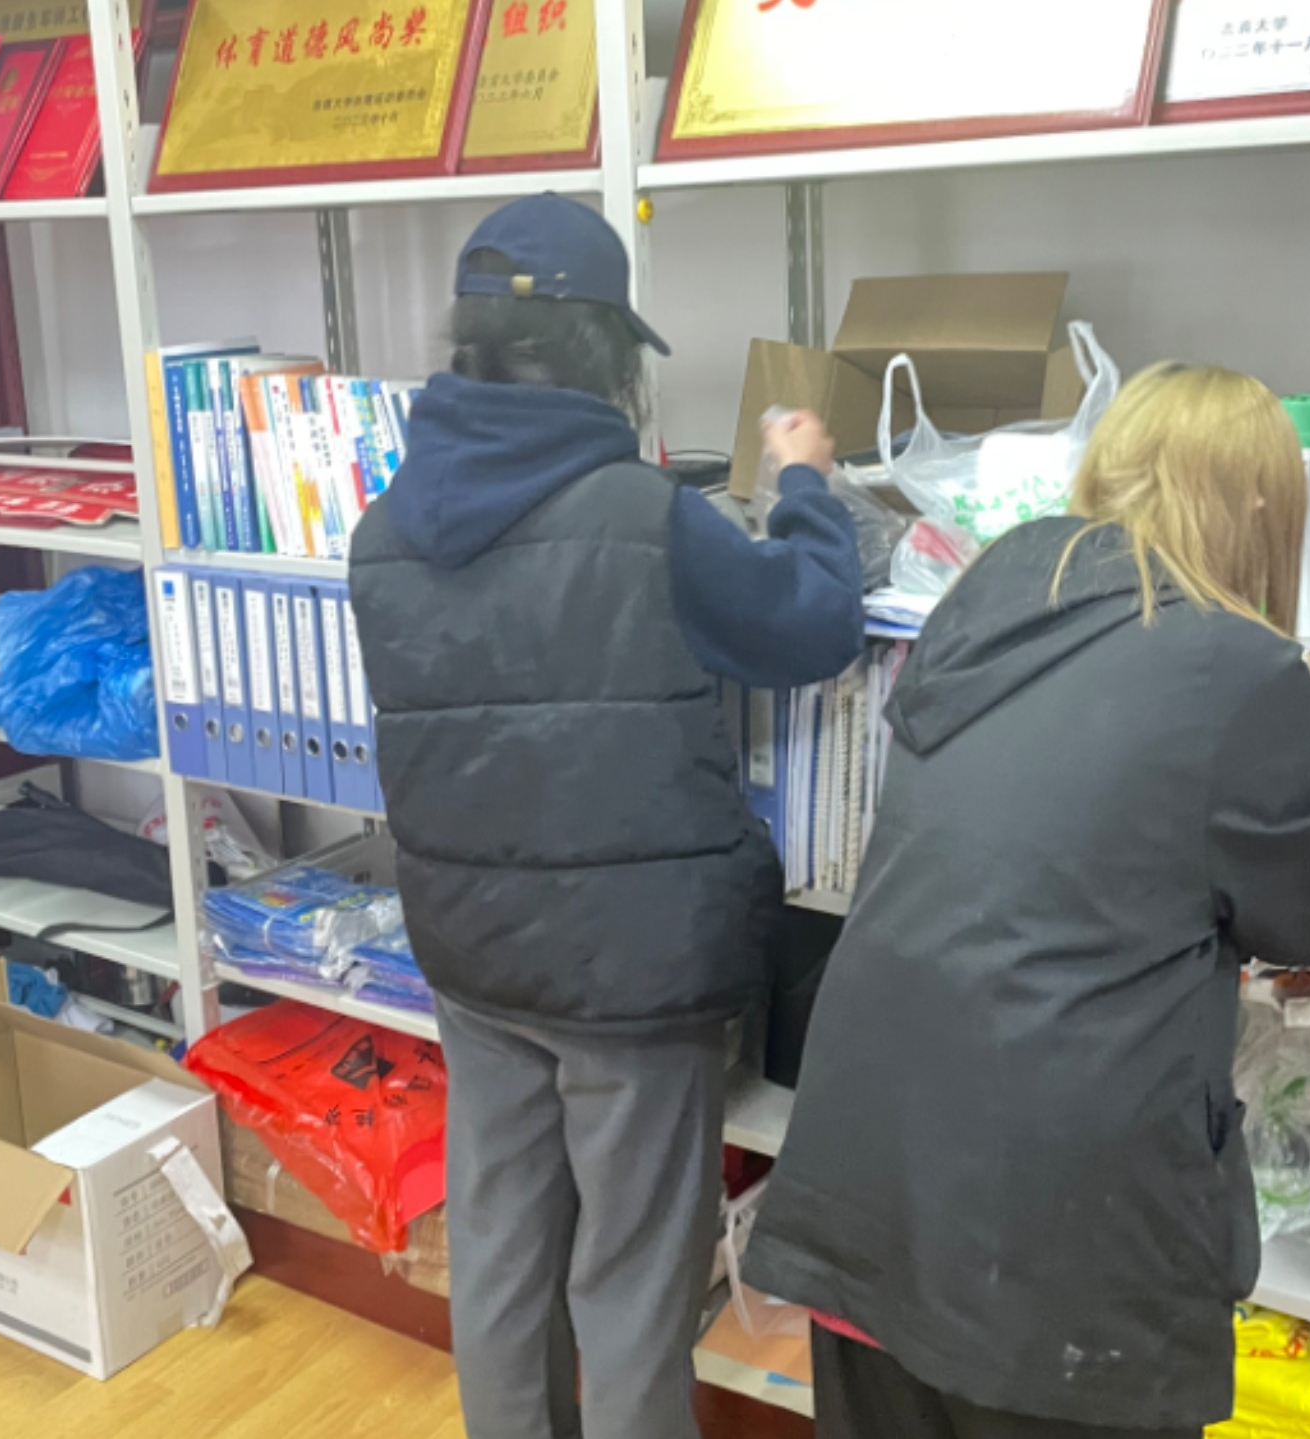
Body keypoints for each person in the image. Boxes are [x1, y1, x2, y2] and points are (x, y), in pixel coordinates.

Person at [743, 364, 1310, 1439]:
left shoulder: (980, 600)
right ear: (1260, 504)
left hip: (866, 1186)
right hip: (1053, 1256)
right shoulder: (1231, 666)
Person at [348, 193, 865, 1439]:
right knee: (631, 1282)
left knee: (499, 1249)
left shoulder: (381, 528)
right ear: (606, 360)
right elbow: (810, 623)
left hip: (471, 952)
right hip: (631, 977)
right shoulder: (645, 516)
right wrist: (805, 485)